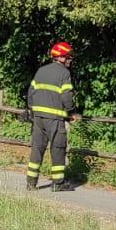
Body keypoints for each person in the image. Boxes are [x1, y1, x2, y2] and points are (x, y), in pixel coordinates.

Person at [26, 41, 80, 192]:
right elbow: (66, 96)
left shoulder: (41, 71)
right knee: (58, 149)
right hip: (55, 119)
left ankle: (31, 183)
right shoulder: (64, 73)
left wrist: (32, 110)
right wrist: (71, 112)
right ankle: (58, 183)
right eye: (69, 57)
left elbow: (31, 92)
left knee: (37, 149)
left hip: (38, 118)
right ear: (62, 58)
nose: (71, 60)